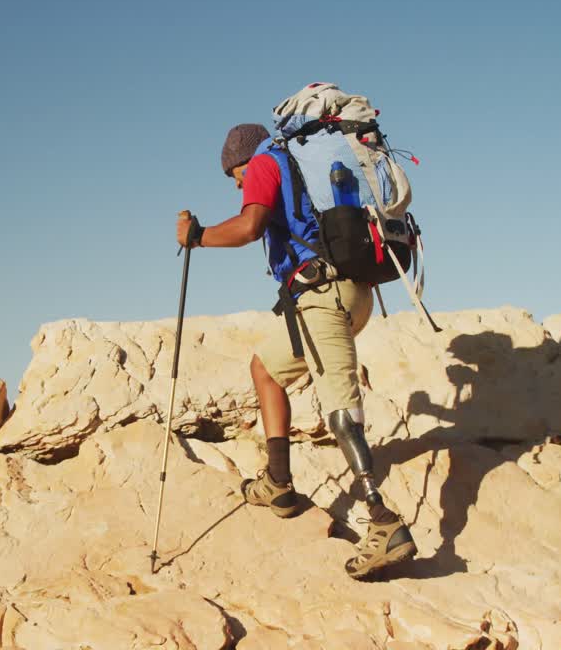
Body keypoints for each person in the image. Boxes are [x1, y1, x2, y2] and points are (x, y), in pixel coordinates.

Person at [175, 123, 416, 578]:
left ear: (240, 161)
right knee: (266, 369)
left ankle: (384, 523)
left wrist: (197, 236)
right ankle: (278, 482)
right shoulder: (298, 166)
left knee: (340, 407)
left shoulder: (266, 163)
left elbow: (249, 227)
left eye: (235, 176)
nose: (239, 185)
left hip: (322, 296)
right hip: (347, 294)